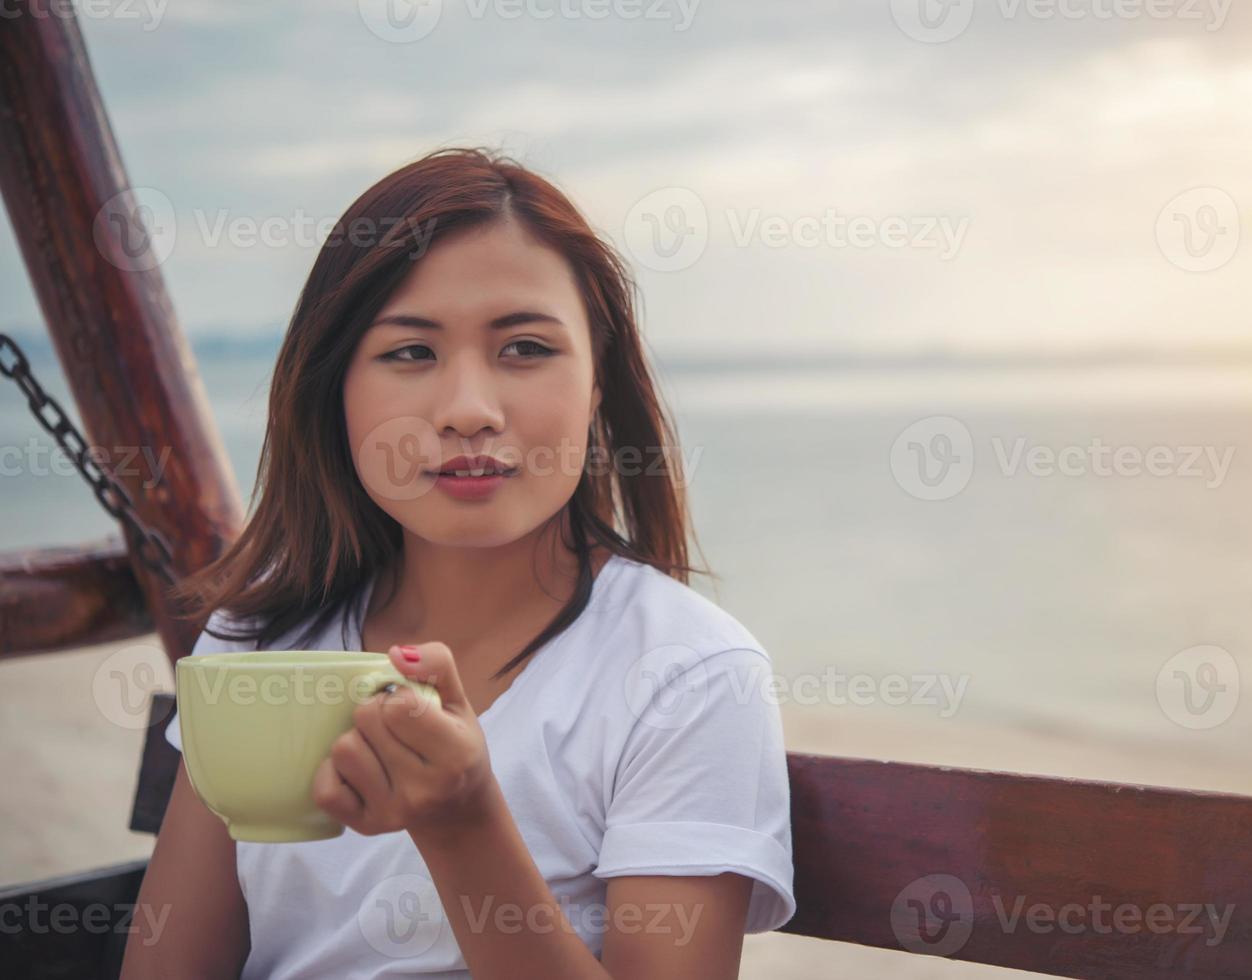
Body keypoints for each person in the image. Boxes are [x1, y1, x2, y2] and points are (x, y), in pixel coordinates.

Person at [121, 147, 795, 979]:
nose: (468, 411)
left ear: (594, 387)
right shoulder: (257, 639)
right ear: (336, 392)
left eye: (524, 348)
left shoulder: (688, 675)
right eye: (410, 353)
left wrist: (465, 826)